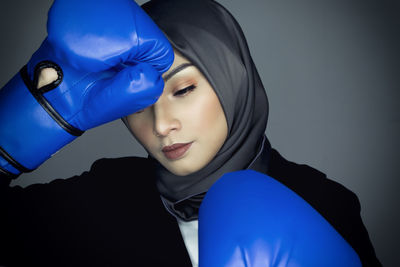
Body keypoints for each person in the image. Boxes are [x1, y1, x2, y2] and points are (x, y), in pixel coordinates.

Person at [0, 0, 381, 266]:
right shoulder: (103, 196)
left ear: (233, 78)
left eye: (183, 90)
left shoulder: (324, 203)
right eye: (136, 104)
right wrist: (31, 114)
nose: (162, 125)